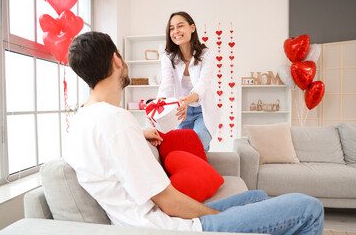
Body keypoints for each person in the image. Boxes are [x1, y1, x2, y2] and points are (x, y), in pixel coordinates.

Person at [65, 31, 324, 234]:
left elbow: (108, 158)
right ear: (117, 60)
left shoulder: (83, 121)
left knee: (256, 197)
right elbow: (169, 202)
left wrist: (137, 134)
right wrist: (222, 222)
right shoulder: (116, 121)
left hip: (153, 219)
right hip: (168, 227)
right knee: (309, 208)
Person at [157, 11, 221, 153]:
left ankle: (202, 155)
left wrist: (186, 101)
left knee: (198, 141)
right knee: (181, 147)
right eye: (171, 28)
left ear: (192, 28)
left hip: (202, 110)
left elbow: (202, 85)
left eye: (180, 26)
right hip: (180, 112)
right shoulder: (168, 57)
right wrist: (157, 110)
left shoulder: (206, 54)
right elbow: (166, 86)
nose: (176, 31)